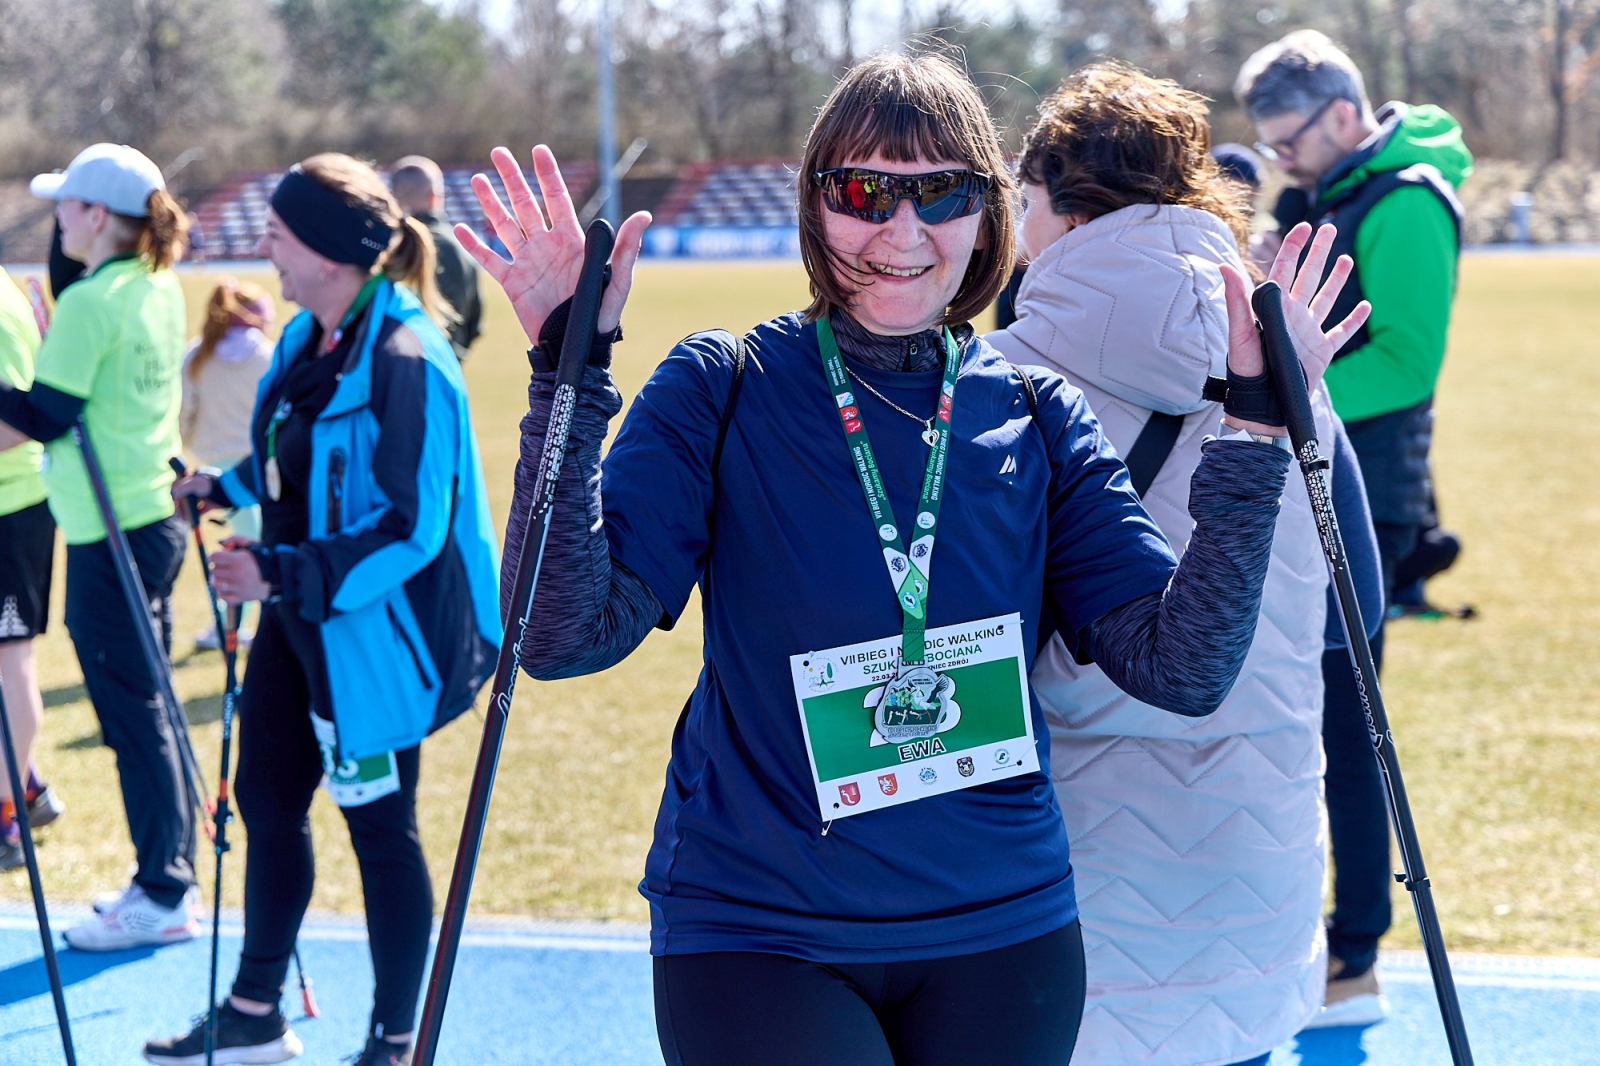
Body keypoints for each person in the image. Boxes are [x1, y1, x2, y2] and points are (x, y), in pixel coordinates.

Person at [453, 52, 1366, 1066]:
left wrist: (1254, 430)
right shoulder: (725, 383)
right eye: (863, 193)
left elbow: (1182, 668)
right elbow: (561, 637)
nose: (901, 230)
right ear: (814, 205)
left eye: (941, 193)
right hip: (765, 926)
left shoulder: (1035, 409)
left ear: (987, 212)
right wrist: (566, 379)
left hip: (1001, 929)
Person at [986, 63, 1382, 1066]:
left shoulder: (1003, 379)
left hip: (1071, 874)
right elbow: (1360, 607)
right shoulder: (1291, 365)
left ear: (1068, 208)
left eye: (1026, 204)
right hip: (1260, 861)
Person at [146, 152, 502, 1066]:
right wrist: (220, 486)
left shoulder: (408, 356)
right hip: (298, 617)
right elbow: (288, 456)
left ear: (328, 251)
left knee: (380, 830)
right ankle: (256, 1011)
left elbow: (412, 530)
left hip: (376, 637)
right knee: (267, 800)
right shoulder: (310, 334)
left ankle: (394, 1041)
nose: (264, 249)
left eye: (277, 234)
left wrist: (277, 572)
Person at [1236, 29, 1474, 1024]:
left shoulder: (1406, 199)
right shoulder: (1323, 189)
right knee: (1295, 720)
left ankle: (1356, 953)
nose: (1279, 160)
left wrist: (1282, 388)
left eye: (1288, 140)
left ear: (1342, 114)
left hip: (1366, 498)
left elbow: (1407, 362)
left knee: (1348, 725)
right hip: (1309, 482)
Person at [0, 143, 197, 950]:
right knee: (145, 708)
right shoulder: (154, 282)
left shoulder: (93, 301)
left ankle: (163, 890)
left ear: (95, 215)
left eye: (65, 205)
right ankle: (168, 880)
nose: (55, 219)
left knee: (132, 715)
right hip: (146, 520)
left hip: (109, 532)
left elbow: (42, 416)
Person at [0, 268, 65, 872]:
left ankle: (8, 811)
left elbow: (22, 421)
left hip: (11, 510)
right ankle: (28, 785)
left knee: (10, 661)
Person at [180, 278, 275, 648]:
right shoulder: (266, 356)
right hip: (257, 470)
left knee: (239, 551)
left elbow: (184, 413)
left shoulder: (197, 354)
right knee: (251, 550)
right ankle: (229, 629)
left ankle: (229, 627)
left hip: (213, 469)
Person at [390, 155, 481, 359]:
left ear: (392, 197)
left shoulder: (383, 248)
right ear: (435, 197)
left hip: (390, 367)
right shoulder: (461, 246)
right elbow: (474, 323)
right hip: (447, 364)